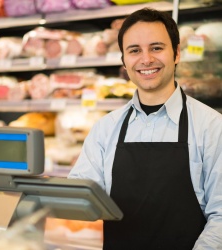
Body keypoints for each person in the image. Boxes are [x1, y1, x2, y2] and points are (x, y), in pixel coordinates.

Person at [68, 7, 222, 250]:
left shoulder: (212, 127)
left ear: (177, 54)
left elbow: (221, 217)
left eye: (156, 48)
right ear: (124, 61)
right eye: (134, 50)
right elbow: (79, 200)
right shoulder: (106, 129)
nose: (146, 59)